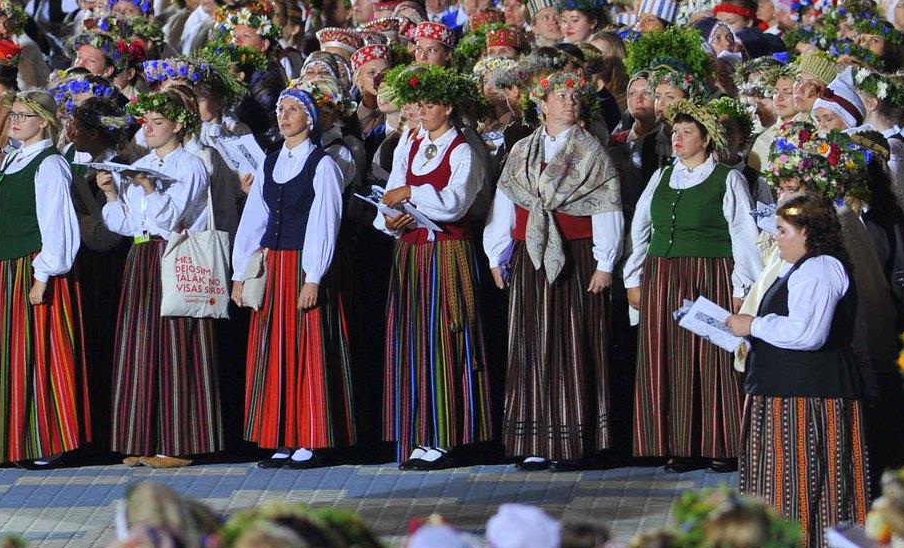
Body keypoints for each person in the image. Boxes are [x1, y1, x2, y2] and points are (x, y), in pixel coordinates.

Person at [485, 67, 624, 470]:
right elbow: (505, 204)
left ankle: (571, 440)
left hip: (576, 257)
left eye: (574, 96)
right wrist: (497, 254)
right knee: (530, 343)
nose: (569, 101)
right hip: (530, 256)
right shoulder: (522, 150)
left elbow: (607, 207)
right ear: (542, 105)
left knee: (572, 343)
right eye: (560, 96)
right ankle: (533, 438)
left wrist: (605, 262)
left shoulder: (591, 152)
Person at [726, 194, 871, 548]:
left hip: (807, 398)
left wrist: (753, 324)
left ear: (808, 233)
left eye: (783, 231)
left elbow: (808, 333)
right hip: (786, 391)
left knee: (803, 483)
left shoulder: (821, 268)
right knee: (781, 484)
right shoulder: (800, 267)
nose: (776, 238)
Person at [626, 99, 761, 472]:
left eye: (687, 133)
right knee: (666, 357)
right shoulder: (661, 177)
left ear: (706, 140)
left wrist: (741, 287)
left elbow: (744, 237)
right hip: (662, 276)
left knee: (711, 358)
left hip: (709, 274)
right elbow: (641, 228)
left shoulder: (726, 178)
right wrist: (633, 277)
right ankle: (677, 443)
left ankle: (721, 442)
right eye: (676, 133)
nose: (678, 139)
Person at [231, 85, 357, 468]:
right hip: (274, 265)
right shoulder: (270, 163)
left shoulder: (323, 165)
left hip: (304, 264)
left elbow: (325, 223)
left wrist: (313, 276)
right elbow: (254, 220)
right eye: (281, 109)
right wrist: (240, 273)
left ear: (310, 119)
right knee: (273, 348)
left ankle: (311, 436)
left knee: (307, 347)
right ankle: (281, 434)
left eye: (292, 110)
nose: (283, 116)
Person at [376, 66, 492, 469]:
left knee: (444, 339)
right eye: (418, 105)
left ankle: (445, 435)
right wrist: (389, 217)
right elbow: (391, 189)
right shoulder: (409, 142)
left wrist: (412, 192)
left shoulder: (463, 151)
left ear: (447, 107)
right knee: (411, 341)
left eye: (429, 105)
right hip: (410, 255)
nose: (420, 112)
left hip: (445, 256)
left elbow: (454, 204)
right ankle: (417, 432)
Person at [103, 91, 225, 468]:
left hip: (172, 254)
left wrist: (149, 187)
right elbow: (128, 224)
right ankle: (141, 436)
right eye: (146, 122)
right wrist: (111, 193)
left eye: (158, 122)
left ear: (177, 125)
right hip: (141, 256)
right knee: (139, 346)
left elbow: (166, 219)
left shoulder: (190, 166)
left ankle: (178, 440)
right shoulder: (139, 163)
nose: (150, 128)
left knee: (175, 345)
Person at [0, 90, 88, 468]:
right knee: (8, 353)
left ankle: (46, 439)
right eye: (15, 115)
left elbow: (57, 224)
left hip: (34, 266)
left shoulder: (50, 163)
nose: (17, 120)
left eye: (26, 115)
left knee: (39, 352)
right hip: (5, 266)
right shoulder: (13, 158)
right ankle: (13, 438)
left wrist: (43, 275)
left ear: (44, 122)